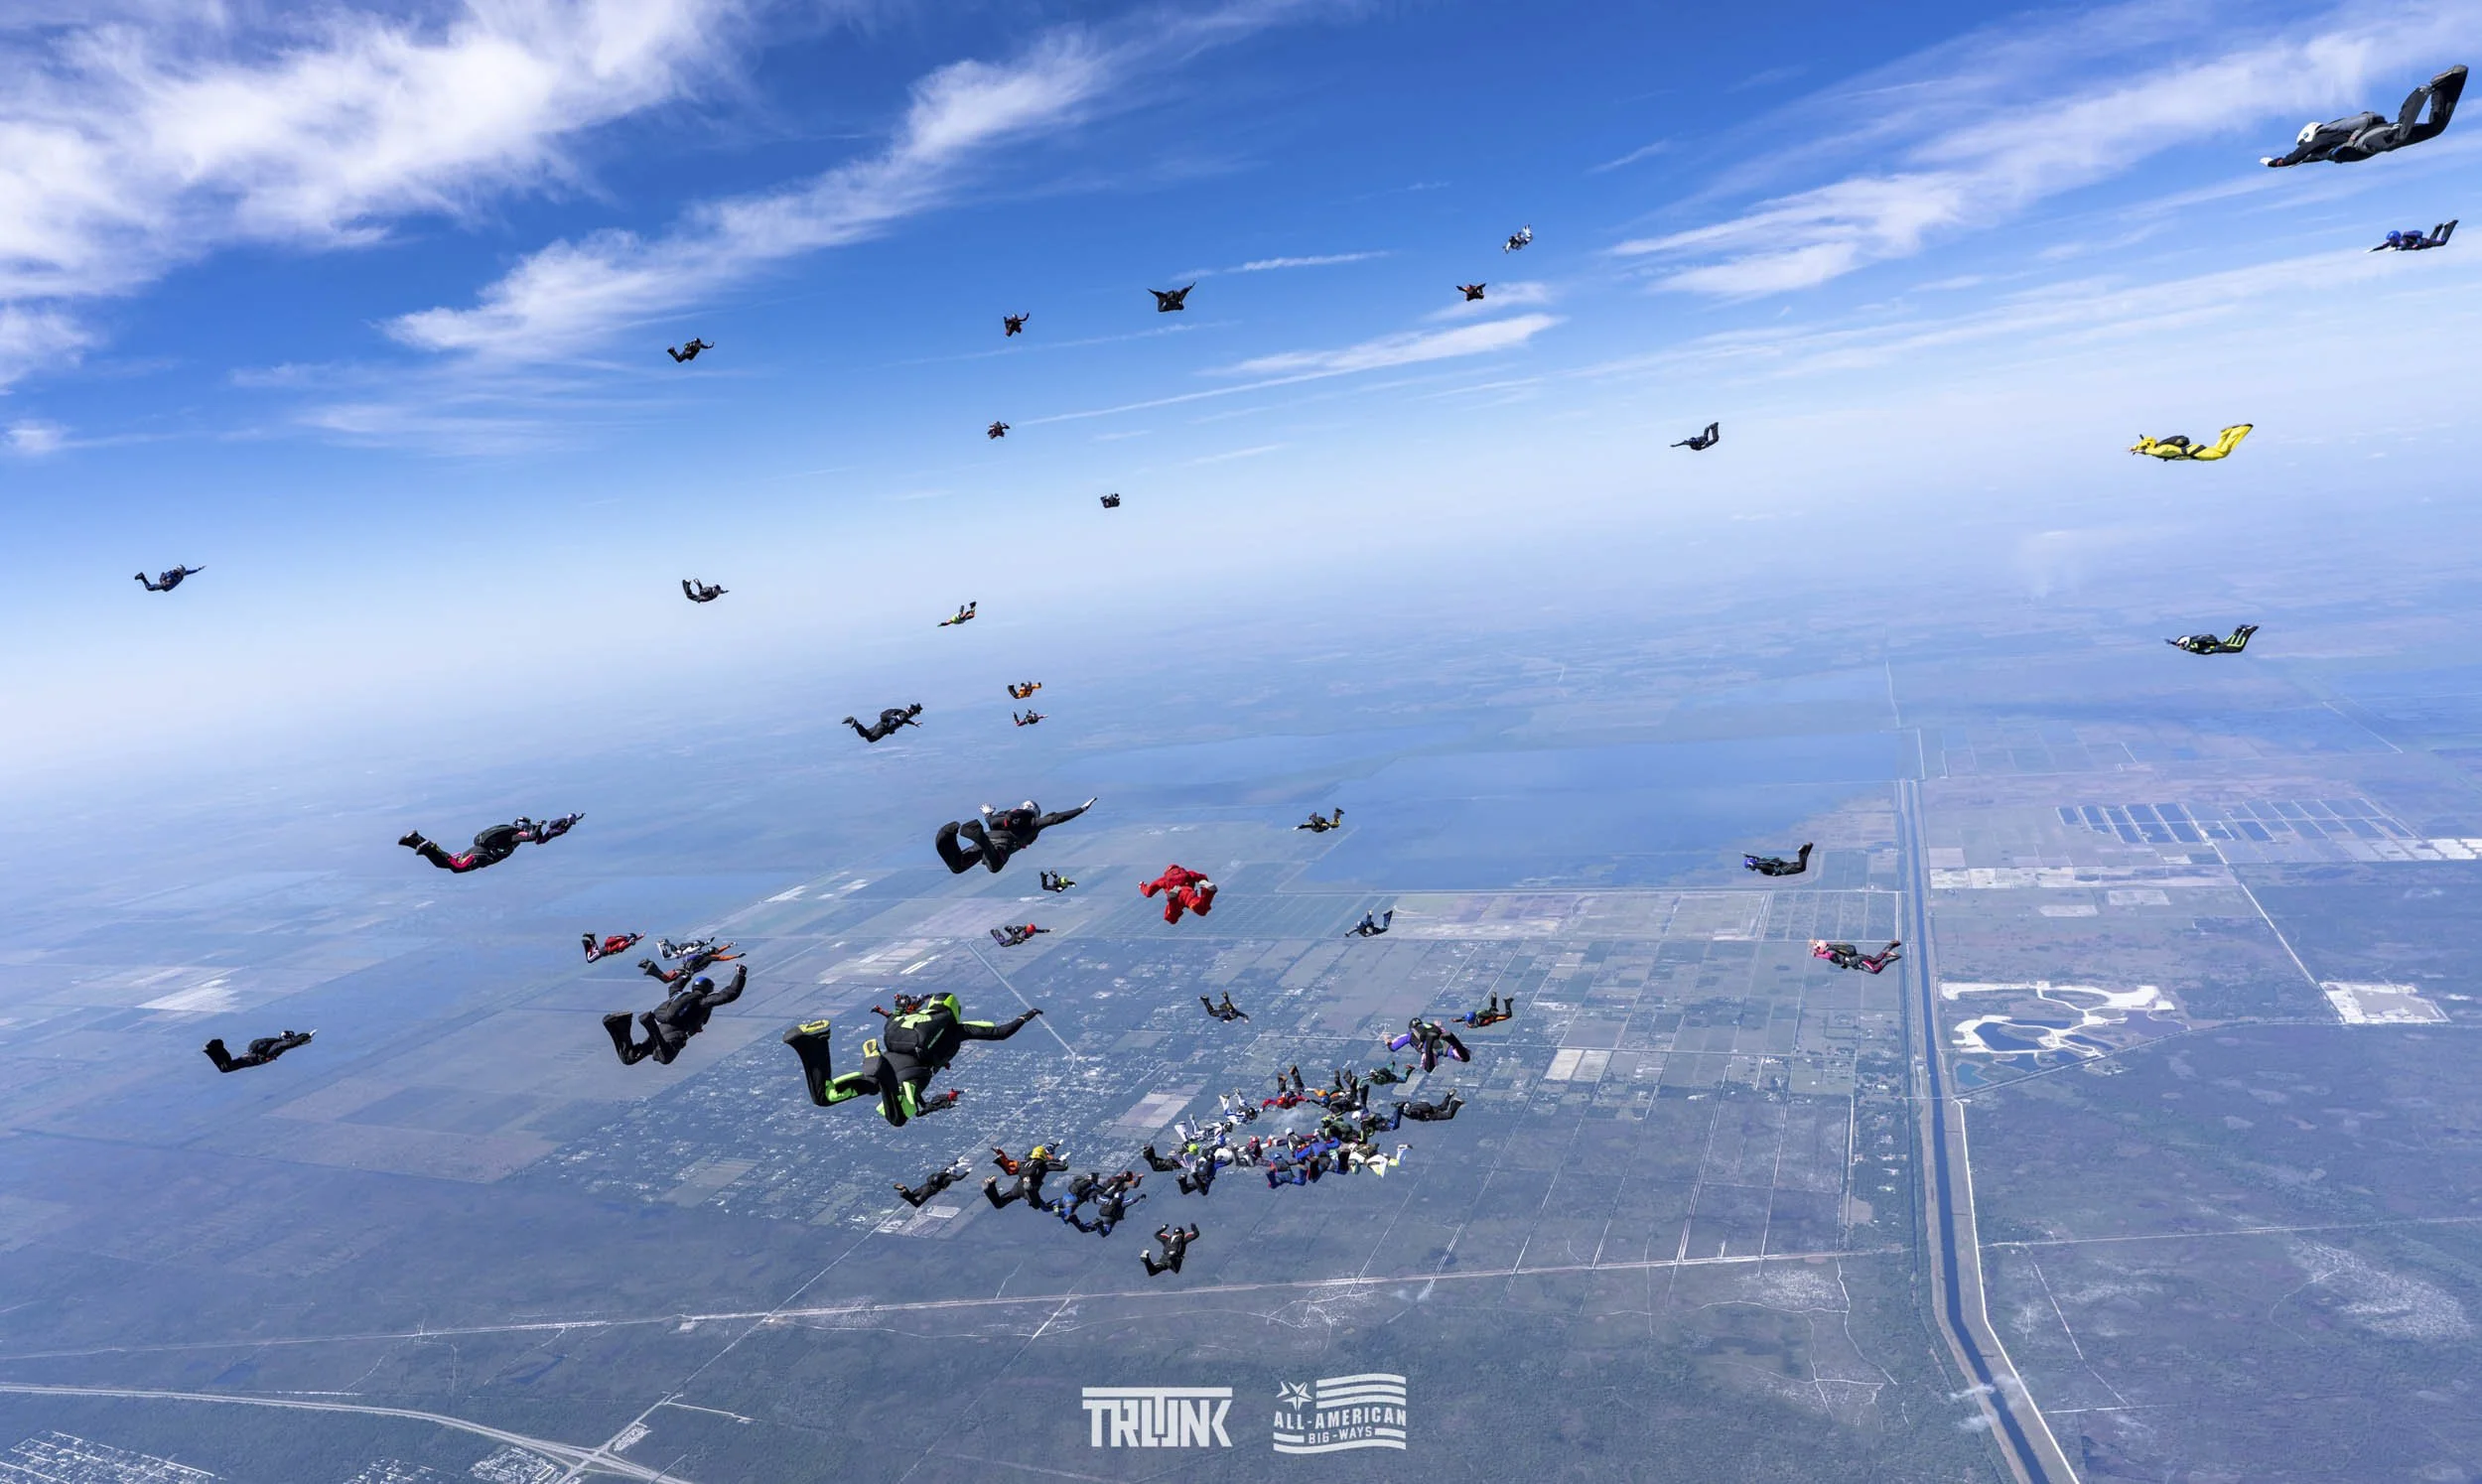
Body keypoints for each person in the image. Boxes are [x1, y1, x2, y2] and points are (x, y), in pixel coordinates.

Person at [782, 993, 1043, 1127]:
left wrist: (895, 1009)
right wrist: (1025, 1016)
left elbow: (891, 1018)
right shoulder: (957, 1026)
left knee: (824, 1097)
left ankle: (814, 1043)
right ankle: (882, 1074)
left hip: (887, 1058)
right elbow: (1000, 1033)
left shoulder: (909, 1017)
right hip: (910, 1072)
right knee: (898, 1118)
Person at [2265, 66, 2465, 167]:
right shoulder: (2328, 147)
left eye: (2303, 145)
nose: (2305, 150)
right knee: (2435, 129)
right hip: (2377, 138)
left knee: (2399, 135)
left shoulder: (2323, 137)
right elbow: (2310, 157)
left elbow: (2308, 150)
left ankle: (2420, 92)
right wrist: (2288, 163)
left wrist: (2281, 162)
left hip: (2370, 139)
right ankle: (2448, 85)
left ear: (2309, 136)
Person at [606, 965, 745, 1066]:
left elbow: (673, 988)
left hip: (662, 1029)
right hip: (674, 1033)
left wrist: (685, 975)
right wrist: (740, 975)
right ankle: (649, 1024)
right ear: (709, 989)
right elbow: (730, 994)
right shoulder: (702, 1001)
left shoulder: (678, 996)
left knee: (629, 1058)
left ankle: (618, 1023)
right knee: (665, 1058)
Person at [935, 799, 1095, 875]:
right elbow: (1056, 818)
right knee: (995, 866)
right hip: (1001, 845)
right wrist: (1081, 809)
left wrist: (987, 813)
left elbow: (991, 820)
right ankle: (980, 839)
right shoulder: (1033, 822)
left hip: (989, 837)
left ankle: (947, 836)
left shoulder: (1008, 816)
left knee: (959, 866)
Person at [399, 813, 581, 874]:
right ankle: (428, 846)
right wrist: (538, 827)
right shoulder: (514, 835)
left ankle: (416, 840)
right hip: (481, 855)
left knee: (447, 864)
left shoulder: (509, 832)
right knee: (456, 867)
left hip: (478, 851)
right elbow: (534, 838)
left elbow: (542, 839)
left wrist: (564, 824)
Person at [985, 1144, 1070, 1209]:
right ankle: (1028, 1187)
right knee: (1036, 1205)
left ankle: (990, 1186)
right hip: (1030, 1189)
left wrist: (1000, 1155)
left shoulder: (1024, 1163)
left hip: (1017, 1188)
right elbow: (1063, 1167)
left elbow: (1010, 1168)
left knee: (999, 1204)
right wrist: (1064, 1159)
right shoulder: (1044, 1165)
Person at [203, 1029, 312, 1073]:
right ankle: (214, 1048)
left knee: (228, 1066)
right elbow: (289, 1044)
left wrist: (302, 1041)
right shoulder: (278, 1045)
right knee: (226, 1068)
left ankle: (215, 1048)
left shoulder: (274, 1043)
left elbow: (290, 1045)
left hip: (251, 1057)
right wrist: (305, 1036)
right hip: (253, 1059)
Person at [1388, 1016, 1470, 1074]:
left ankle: (1430, 1040)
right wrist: (1439, 1026)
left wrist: (1387, 1042)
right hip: (1444, 1044)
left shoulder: (1409, 1035)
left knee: (1429, 1069)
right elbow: (1441, 1031)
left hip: (1430, 1051)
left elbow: (1393, 1048)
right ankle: (1453, 1040)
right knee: (1465, 1058)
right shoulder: (1431, 1026)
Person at [1141, 864, 1217, 923]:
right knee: (1201, 908)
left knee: (1171, 918)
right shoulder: (1189, 873)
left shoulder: (1163, 879)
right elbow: (1202, 877)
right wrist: (1204, 883)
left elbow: (1148, 893)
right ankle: (1208, 892)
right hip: (1188, 893)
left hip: (1177, 895)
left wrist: (1142, 886)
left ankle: (1172, 899)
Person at [639, 940, 740, 985]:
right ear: (713, 954)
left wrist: (728, 946)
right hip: (683, 970)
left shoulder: (704, 954)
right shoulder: (708, 958)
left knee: (666, 977)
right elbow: (722, 957)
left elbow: (718, 952)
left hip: (682, 967)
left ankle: (647, 965)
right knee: (666, 979)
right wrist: (736, 956)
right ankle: (651, 966)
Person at [2130, 425, 2251, 461]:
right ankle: (2225, 433)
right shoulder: (2159, 449)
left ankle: (2238, 431)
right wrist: (2138, 448)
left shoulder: (2161, 448)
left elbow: (2158, 451)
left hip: (2194, 452)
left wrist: (2142, 451)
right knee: (2219, 449)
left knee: (2222, 453)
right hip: (2195, 451)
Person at [896, 1156, 976, 1208]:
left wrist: (958, 1161)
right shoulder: (948, 1177)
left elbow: (951, 1165)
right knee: (917, 1203)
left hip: (925, 1185)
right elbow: (959, 1178)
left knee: (912, 1196)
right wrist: (967, 1172)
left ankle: (904, 1190)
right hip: (931, 1189)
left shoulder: (943, 1171)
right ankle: (904, 1192)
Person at [844, 704, 923, 742]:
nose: (914, 715)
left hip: (880, 724)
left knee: (863, 734)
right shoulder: (904, 714)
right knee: (871, 739)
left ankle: (854, 722)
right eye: (915, 713)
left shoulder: (899, 711)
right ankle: (856, 723)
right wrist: (913, 723)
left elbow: (899, 720)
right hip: (883, 728)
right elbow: (902, 719)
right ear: (911, 711)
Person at [1812, 939, 1902, 974]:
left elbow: (1826, 955)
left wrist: (1817, 955)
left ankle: (1887, 957)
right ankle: (1891, 945)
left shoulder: (1830, 952)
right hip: (1859, 959)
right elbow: (1841, 956)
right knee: (1876, 960)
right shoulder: (1832, 948)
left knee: (1875, 970)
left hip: (1858, 961)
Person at [2167, 624, 2258, 655]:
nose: (2180, 647)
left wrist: (2210, 650)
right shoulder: (2190, 644)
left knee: (2238, 648)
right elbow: (2183, 646)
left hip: (2217, 647)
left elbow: (2203, 649)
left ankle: (2248, 632)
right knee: (2228, 642)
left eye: (2181, 645)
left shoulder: (2193, 645)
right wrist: (2172, 642)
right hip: (2217, 646)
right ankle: (2239, 629)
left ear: (2185, 643)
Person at [2374, 221, 2456, 251]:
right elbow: (2384, 245)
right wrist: (2373, 249)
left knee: (2442, 242)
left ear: (2395, 238)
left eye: (2391, 239)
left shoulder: (2402, 241)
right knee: (2433, 241)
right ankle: (2438, 228)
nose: (2390, 242)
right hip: (2424, 244)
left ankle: (2450, 225)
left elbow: (2405, 246)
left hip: (2425, 243)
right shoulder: (2398, 241)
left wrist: (2396, 249)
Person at [1743, 843, 1813, 877]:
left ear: (1751, 864)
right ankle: (1808, 848)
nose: (1750, 868)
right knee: (1801, 866)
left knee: (1801, 867)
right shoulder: (1759, 861)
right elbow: (1756, 858)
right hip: (1783, 865)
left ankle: (1801, 853)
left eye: (1749, 867)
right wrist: (1748, 856)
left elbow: (1769, 868)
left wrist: (1773, 873)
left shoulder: (1759, 866)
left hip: (1783, 869)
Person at [1396, 1089, 1465, 1122]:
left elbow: (1417, 1114)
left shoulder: (1411, 1112)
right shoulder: (1412, 1105)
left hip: (1431, 1114)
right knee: (1442, 1107)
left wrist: (1425, 1116)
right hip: (1431, 1109)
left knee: (1449, 1116)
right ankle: (1449, 1095)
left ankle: (1455, 1102)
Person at [134, 565, 203, 592]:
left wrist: (198, 569)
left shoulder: (181, 574)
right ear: (178, 570)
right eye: (182, 571)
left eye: (183, 572)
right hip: (163, 585)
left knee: (149, 588)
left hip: (166, 587)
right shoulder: (171, 573)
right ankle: (142, 576)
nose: (183, 573)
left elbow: (190, 572)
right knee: (149, 588)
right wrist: (163, 581)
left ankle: (142, 576)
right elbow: (162, 577)